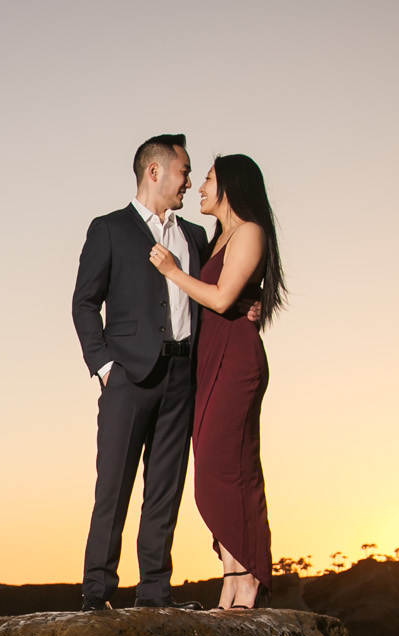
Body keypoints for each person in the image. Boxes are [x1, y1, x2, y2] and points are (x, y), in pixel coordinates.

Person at [70, 134, 212, 611]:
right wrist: (105, 367)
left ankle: (154, 592)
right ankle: (97, 591)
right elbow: (84, 303)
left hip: (182, 375)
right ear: (155, 171)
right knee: (113, 486)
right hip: (127, 378)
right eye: (184, 171)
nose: (189, 182)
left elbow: (210, 295)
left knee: (166, 488)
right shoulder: (108, 229)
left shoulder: (194, 236)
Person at [149, 154, 285, 609]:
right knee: (212, 476)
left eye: (206, 180)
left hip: (236, 362)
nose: (200, 188)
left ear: (230, 186)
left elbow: (225, 297)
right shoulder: (216, 238)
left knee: (232, 473)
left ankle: (247, 579)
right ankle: (231, 578)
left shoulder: (249, 231)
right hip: (211, 363)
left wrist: (172, 271)